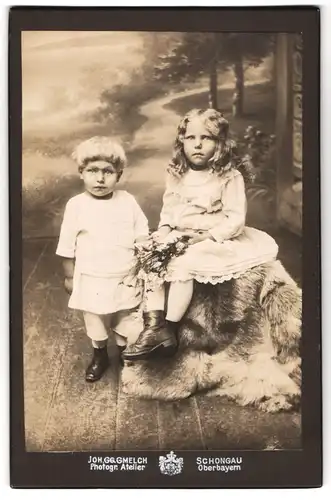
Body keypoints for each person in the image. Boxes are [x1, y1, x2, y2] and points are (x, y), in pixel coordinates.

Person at [122, 108, 278, 361]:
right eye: (191, 138)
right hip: (180, 232)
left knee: (184, 266)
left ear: (220, 143)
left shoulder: (228, 176)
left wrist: (206, 236)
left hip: (212, 237)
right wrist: (162, 232)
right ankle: (153, 327)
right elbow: (170, 209)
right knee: (152, 262)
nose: (197, 145)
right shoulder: (176, 172)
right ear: (181, 141)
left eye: (206, 138)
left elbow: (236, 218)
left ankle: (169, 331)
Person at [56, 136, 149, 381]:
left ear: (118, 175)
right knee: (95, 317)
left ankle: (125, 352)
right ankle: (100, 355)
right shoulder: (76, 205)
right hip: (92, 276)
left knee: (125, 314)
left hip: (125, 274)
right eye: (92, 171)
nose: (100, 178)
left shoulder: (127, 201)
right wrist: (69, 275)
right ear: (81, 173)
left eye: (107, 172)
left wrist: (144, 256)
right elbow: (67, 244)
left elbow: (141, 230)